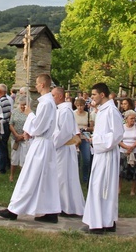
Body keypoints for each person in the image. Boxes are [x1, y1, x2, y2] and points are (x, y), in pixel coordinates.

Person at [0, 73, 61, 223]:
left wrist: (29, 115)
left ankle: (14, 210)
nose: (36, 86)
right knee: (46, 179)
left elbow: (38, 127)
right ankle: (50, 211)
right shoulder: (48, 102)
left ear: (43, 85)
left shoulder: (46, 103)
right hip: (45, 144)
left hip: (41, 144)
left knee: (28, 176)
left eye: (37, 84)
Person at [82, 82, 124, 234]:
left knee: (101, 188)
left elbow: (117, 134)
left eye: (93, 94)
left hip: (106, 154)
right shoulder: (102, 110)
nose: (91, 97)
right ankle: (106, 221)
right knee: (100, 187)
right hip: (101, 153)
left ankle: (99, 224)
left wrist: (96, 141)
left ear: (102, 95)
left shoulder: (111, 111)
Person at [52, 87, 85, 217]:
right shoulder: (60, 110)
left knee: (64, 177)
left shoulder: (65, 111)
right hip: (61, 148)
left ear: (60, 96)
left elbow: (65, 133)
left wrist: (52, 143)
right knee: (61, 177)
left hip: (64, 148)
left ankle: (67, 207)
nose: (52, 98)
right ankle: (62, 204)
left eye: (53, 95)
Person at [119, 109, 136, 196]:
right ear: (126, 119)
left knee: (135, 171)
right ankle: (119, 188)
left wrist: (132, 147)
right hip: (123, 150)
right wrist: (126, 147)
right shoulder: (121, 126)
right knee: (121, 171)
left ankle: (133, 190)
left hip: (135, 151)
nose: (133, 120)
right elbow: (119, 140)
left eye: (134, 119)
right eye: (131, 118)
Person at [8, 97, 30, 183]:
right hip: (15, 138)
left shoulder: (29, 113)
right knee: (14, 157)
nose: (23, 107)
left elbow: (30, 124)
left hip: (25, 138)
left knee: (23, 158)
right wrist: (16, 135)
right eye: (21, 105)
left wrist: (23, 135)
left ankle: (22, 178)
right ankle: (12, 175)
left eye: (24, 105)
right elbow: (11, 124)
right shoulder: (14, 112)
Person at [0, 83, 13, 175]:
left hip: (2, 126)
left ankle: (1, 168)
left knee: (1, 147)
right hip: (7, 125)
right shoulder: (7, 100)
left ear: (0, 91)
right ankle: (3, 165)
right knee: (3, 146)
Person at [73, 97, 94, 184]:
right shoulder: (73, 114)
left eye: (81, 105)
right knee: (75, 159)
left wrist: (85, 128)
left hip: (85, 138)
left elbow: (92, 127)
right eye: (78, 106)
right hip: (75, 138)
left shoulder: (88, 114)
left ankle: (85, 177)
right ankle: (75, 177)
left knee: (86, 159)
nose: (80, 107)